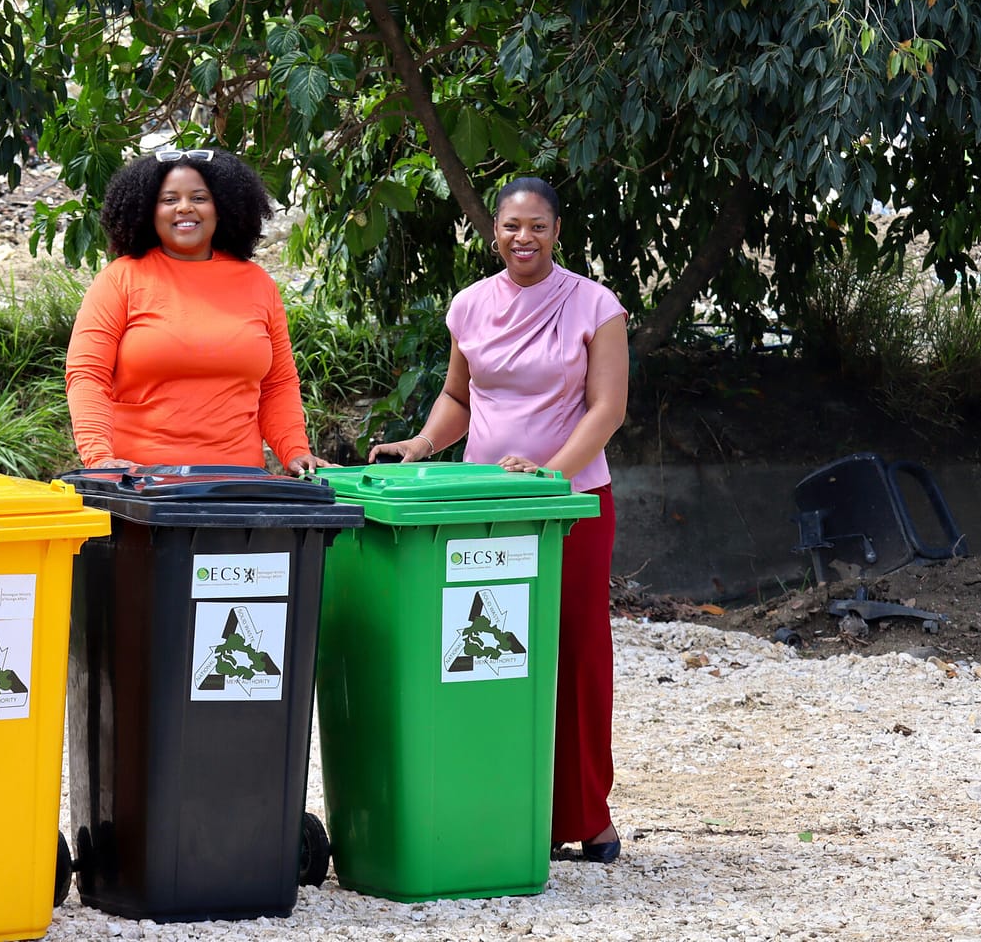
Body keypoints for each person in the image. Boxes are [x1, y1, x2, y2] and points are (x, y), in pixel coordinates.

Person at [370, 176, 629, 863]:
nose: (523, 238)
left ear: (557, 232)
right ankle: (490, 806)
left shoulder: (594, 305)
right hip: (483, 506)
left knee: (572, 652)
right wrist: (422, 444)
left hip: (567, 505)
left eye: (537, 226)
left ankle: (584, 815)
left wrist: (552, 474)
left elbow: (607, 408)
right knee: (483, 654)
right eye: (511, 226)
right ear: (493, 233)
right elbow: (458, 395)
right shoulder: (469, 305)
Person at [65, 147, 331, 476]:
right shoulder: (119, 280)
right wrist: (99, 458)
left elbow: (278, 384)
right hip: (139, 487)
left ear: (223, 207)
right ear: (149, 210)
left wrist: (294, 450)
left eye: (199, 198)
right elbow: (88, 376)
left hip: (237, 487)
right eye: (169, 199)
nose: (185, 207)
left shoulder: (258, 284)